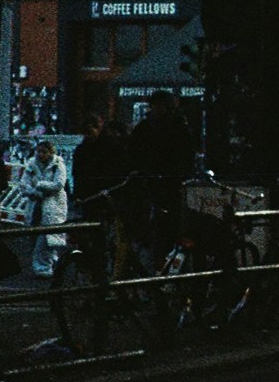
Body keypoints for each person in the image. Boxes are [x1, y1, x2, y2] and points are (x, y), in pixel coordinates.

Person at [127, 88, 197, 265]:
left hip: (166, 182)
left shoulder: (168, 126)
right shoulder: (174, 125)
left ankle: (162, 259)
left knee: (166, 225)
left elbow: (186, 155)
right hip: (156, 181)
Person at [74, 105, 137, 272]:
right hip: (96, 196)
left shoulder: (107, 148)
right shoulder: (90, 149)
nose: (88, 135)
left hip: (106, 196)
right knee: (96, 236)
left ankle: (103, 269)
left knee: (103, 235)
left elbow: (120, 171)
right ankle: (99, 269)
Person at [20, 138, 73, 274]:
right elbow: (24, 184)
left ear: (50, 152)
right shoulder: (32, 164)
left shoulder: (58, 165)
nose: (40, 154)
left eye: (44, 152)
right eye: (38, 151)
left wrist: (39, 185)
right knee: (35, 235)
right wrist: (34, 192)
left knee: (46, 238)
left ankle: (44, 267)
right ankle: (48, 262)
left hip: (53, 205)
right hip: (35, 205)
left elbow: (58, 184)